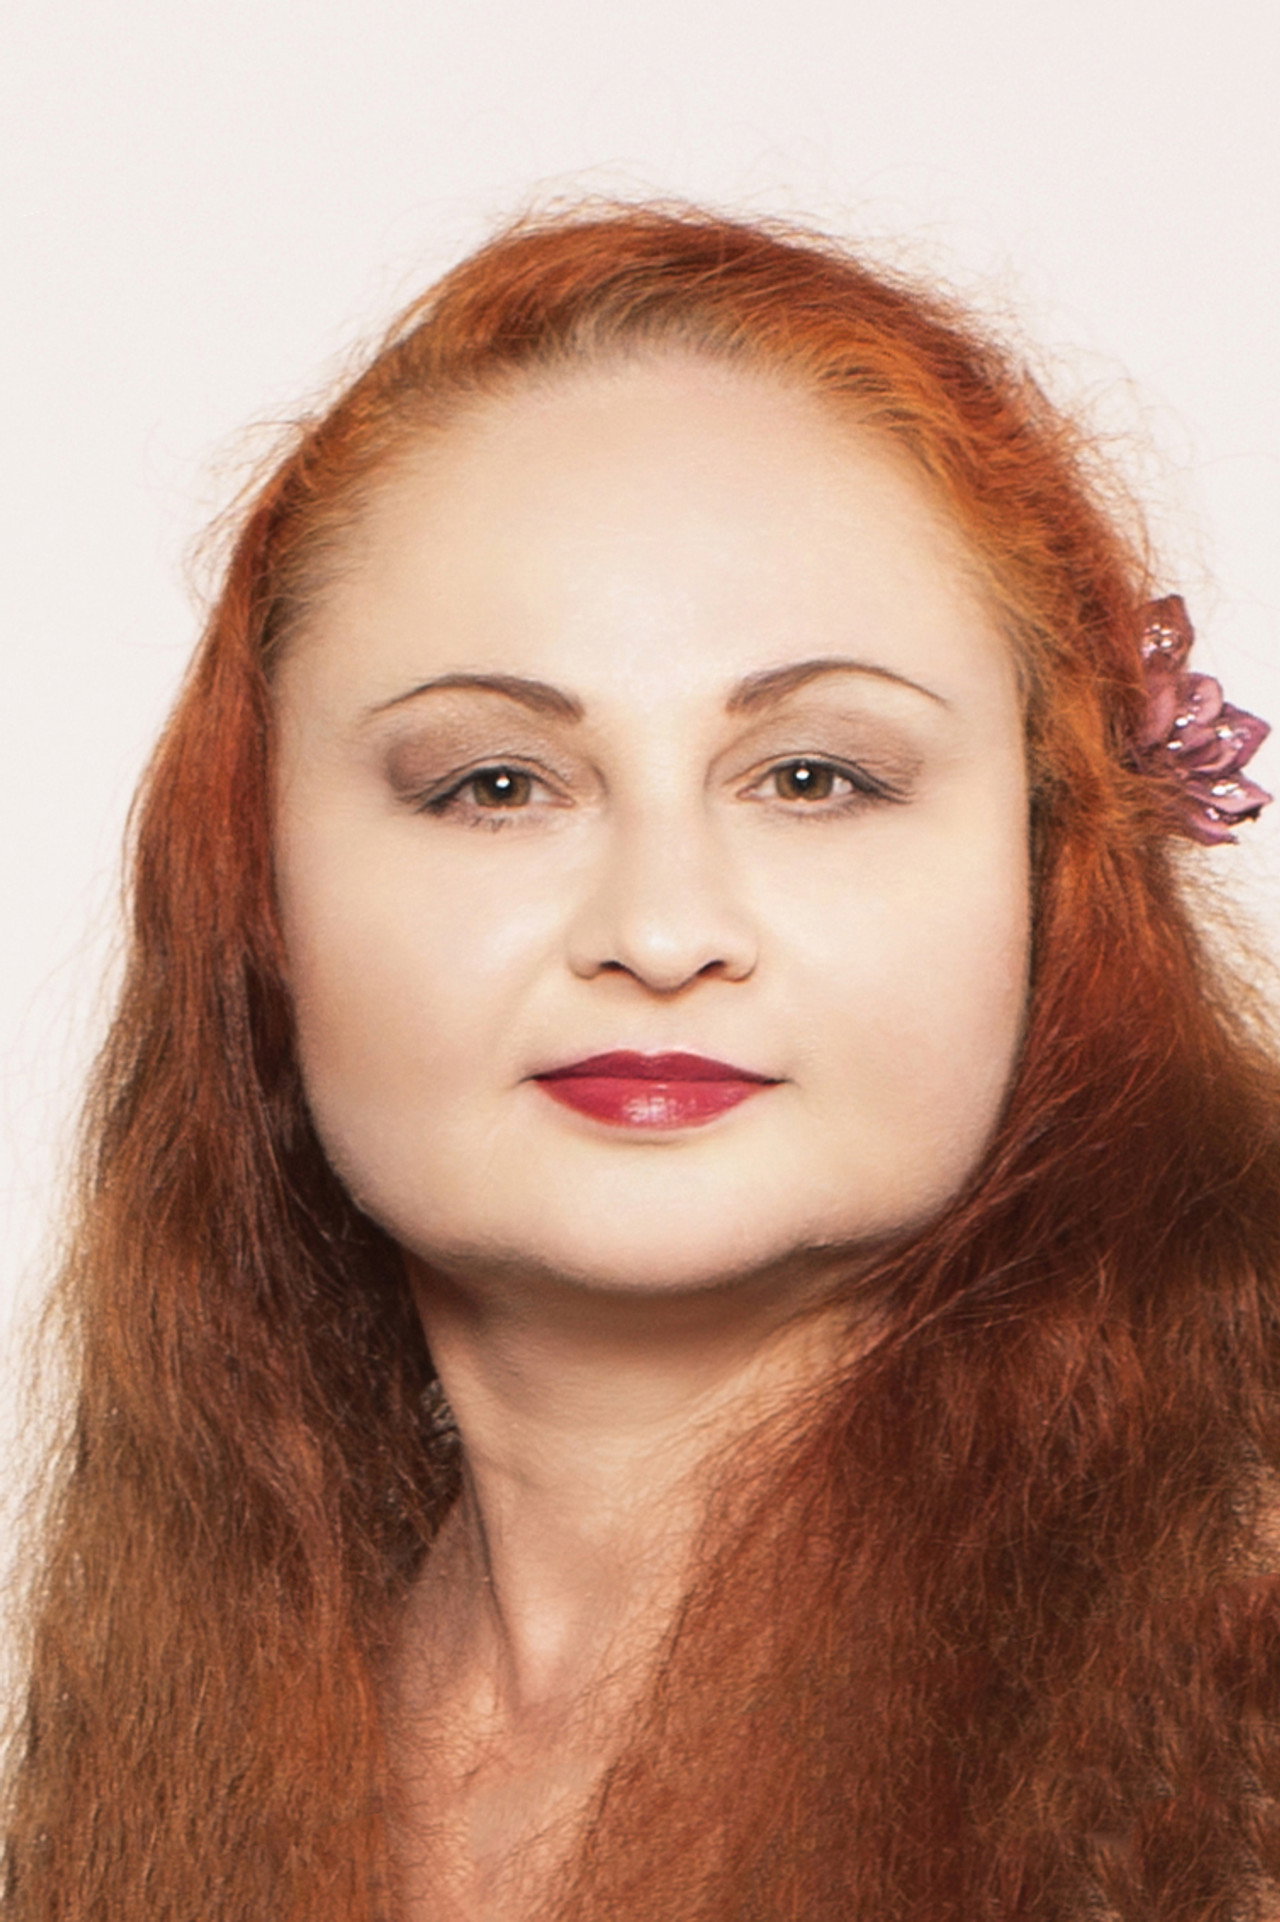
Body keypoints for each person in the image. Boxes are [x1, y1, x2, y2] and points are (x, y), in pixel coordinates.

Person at [4, 202, 1279, 1922]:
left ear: (1058, 867)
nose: (663, 930)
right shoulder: (184, 1730)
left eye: (816, 776)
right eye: (495, 785)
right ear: (255, 884)